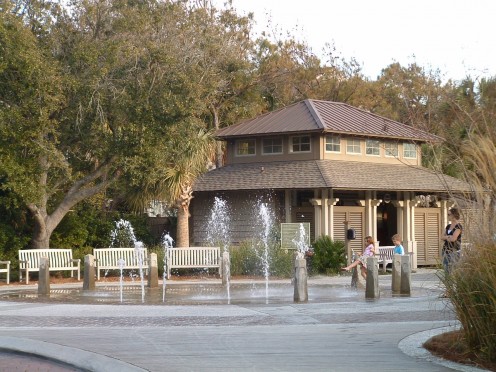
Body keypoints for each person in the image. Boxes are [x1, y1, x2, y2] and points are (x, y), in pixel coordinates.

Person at [440, 207, 462, 274]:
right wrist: (448, 237)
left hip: (454, 251)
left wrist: (446, 237)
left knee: (453, 270)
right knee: (446, 270)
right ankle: (448, 284)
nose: (448, 216)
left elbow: (453, 239)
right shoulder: (448, 226)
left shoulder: (458, 226)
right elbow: (441, 237)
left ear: (454, 215)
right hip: (445, 250)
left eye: (449, 214)